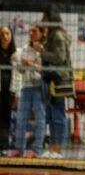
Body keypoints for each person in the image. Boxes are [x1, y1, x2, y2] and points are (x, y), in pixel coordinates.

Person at [34, 11, 72, 158]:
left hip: (58, 79)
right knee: (51, 115)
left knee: (58, 115)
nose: (42, 20)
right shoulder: (51, 35)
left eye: (45, 18)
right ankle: (52, 149)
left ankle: (58, 150)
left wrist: (42, 51)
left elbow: (60, 57)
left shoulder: (58, 35)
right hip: (50, 79)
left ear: (51, 19)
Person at [11, 25, 46, 158]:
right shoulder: (25, 49)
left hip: (39, 88)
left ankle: (36, 150)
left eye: (34, 31)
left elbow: (44, 69)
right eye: (30, 31)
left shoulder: (44, 50)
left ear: (41, 33)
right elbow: (21, 70)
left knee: (39, 120)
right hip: (25, 87)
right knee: (20, 118)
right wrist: (18, 63)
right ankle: (19, 149)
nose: (31, 33)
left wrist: (31, 65)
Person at [0, 25, 20, 153]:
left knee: (6, 118)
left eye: (7, 33)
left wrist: (17, 94)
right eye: (2, 34)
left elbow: (18, 75)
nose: (5, 36)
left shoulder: (16, 53)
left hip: (9, 91)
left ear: (11, 36)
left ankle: (3, 147)